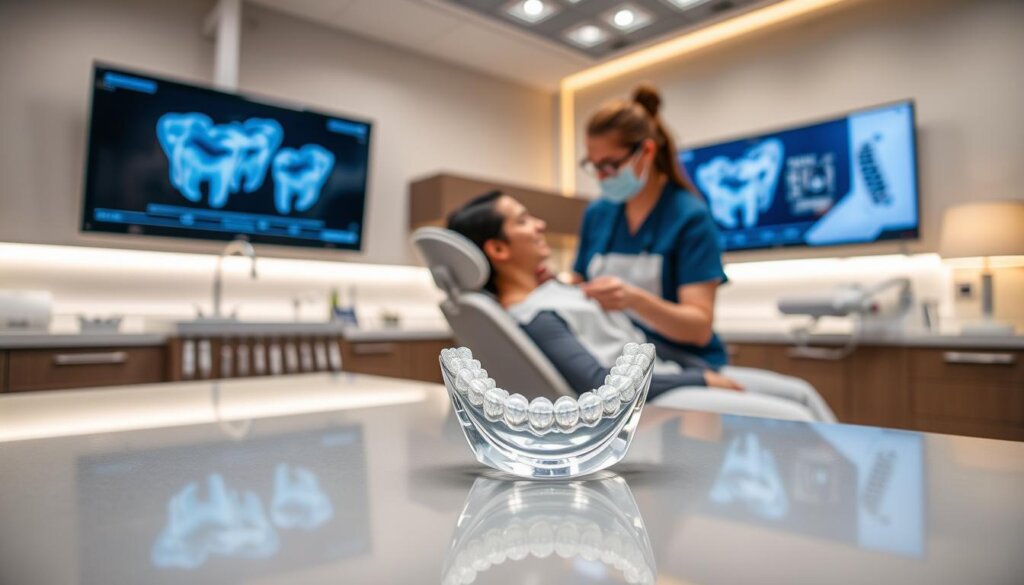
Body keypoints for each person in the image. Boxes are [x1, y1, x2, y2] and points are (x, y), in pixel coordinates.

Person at [447, 191, 837, 422]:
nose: (540, 224)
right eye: (523, 220)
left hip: (666, 378)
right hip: (654, 397)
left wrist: (698, 369)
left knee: (800, 392)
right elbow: (600, 386)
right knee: (796, 420)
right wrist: (698, 379)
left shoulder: (556, 294)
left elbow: (628, 341)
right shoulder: (534, 316)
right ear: (498, 249)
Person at [574, 84, 729, 370]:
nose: (601, 177)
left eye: (609, 165)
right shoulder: (598, 213)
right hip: (617, 363)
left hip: (683, 365)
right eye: (593, 165)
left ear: (645, 151)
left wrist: (634, 300)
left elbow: (699, 328)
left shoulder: (689, 216)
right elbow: (578, 280)